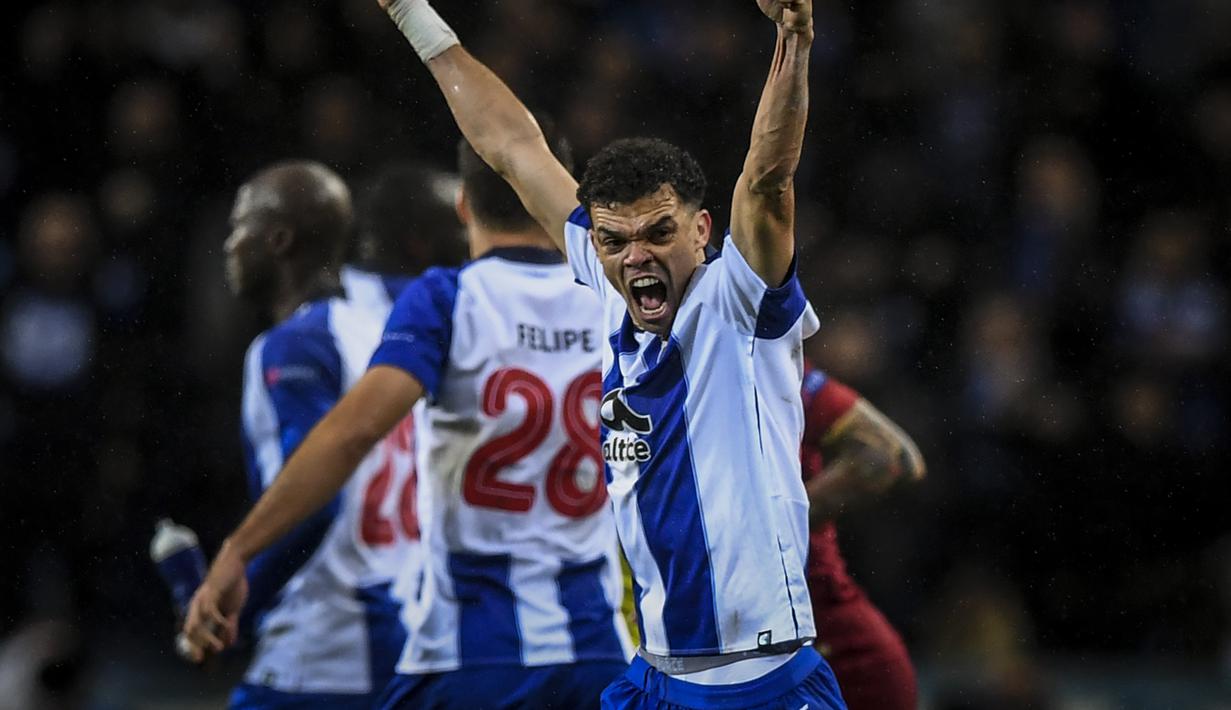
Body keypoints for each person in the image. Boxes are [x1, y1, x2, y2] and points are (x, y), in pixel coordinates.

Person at [357, 0, 846, 706]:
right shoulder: (610, 286)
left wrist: (793, 39)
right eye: (614, 241)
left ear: (702, 229)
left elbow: (768, 179)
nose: (635, 255)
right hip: (653, 675)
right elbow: (510, 144)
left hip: (760, 679)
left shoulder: (736, 302)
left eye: (658, 232)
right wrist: (411, 12)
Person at [186, 128, 632, 708]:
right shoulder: (622, 300)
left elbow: (351, 438)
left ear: (466, 206)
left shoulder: (444, 301)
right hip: (600, 641)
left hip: (457, 650)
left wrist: (238, 556)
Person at [201, 161, 419, 708]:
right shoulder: (382, 327)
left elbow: (315, 501)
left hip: (326, 638)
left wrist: (236, 604)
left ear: (277, 239)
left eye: (240, 226)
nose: (230, 244)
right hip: (406, 620)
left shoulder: (293, 347)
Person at [799, 361, 925, 710]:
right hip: (683, 633)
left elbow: (891, 455)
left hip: (826, 644)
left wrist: (771, 527)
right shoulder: (640, 371)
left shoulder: (764, 364)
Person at [342, 161, 466, 322]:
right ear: (418, 242)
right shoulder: (436, 303)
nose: (471, 237)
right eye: (463, 226)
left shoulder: (330, 291)